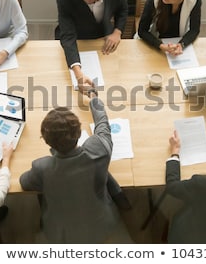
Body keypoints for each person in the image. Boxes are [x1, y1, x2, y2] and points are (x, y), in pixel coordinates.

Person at [19, 89, 132, 243]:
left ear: (47, 141)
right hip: (102, 224)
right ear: (79, 133)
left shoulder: (42, 167)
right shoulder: (99, 148)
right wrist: (93, 98)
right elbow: (103, 123)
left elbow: (24, 182)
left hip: (63, 233)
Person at [55, 0, 128, 93]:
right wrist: (78, 74)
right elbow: (68, 36)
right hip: (77, 40)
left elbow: (123, 9)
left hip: (103, 39)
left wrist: (117, 32)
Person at [137, 0, 201, 56]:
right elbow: (142, 31)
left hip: (178, 39)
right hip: (155, 41)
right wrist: (160, 45)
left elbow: (194, 29)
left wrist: (181, 44)